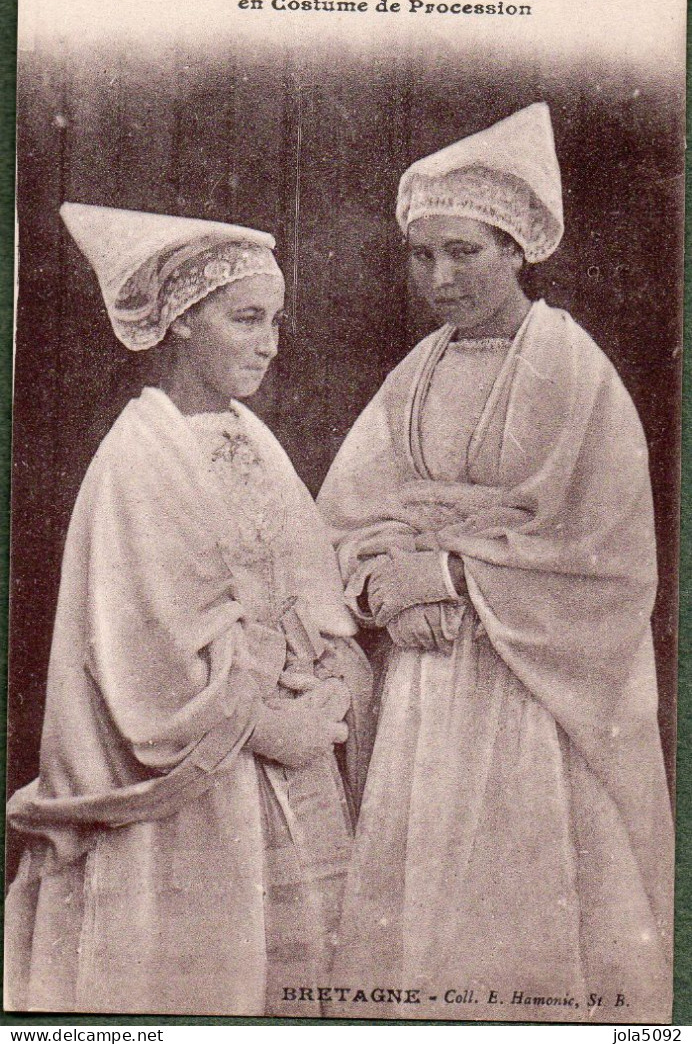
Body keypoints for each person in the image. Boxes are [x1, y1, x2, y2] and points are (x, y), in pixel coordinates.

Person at [317, 103, 674, 1022]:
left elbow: (607, 552)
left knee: (525, 877)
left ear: (517, 249)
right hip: (431, 674)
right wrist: (386, 589)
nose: (438, 277)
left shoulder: (569, 364)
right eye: (422, 254)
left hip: (530, 678)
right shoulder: (417, 370)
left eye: (464, 252)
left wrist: (451, 576)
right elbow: (348, 512)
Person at [5, 203, 371, 1016]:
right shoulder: (138, 458)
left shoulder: (250, 437)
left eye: (275, 321)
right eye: (246, 319)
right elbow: (147, 653)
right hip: (206, 778)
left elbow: (307, 591)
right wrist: (271, 723)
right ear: (180, 323)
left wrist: (326, 682)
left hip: (289, 760)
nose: (269, 343)